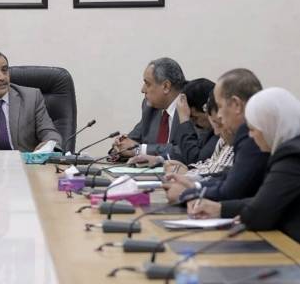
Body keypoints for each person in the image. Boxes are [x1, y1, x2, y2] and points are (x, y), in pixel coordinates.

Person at [188, 88, 300, 243]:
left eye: (253, 129)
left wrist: (228, 211)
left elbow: (259, 213)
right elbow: (262, 200)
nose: (251, 135)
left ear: (269, 126)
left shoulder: (291, 157)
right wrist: (221, 208)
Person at [165, 69, 269, 203]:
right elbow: (227, 176)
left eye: (219, 106)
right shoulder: (245, 133)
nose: (218, 115)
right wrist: (194, 184)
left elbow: (231, 191)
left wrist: (186, 193)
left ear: (236, 105)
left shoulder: (252, 137)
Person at [112, 57, 186, 160]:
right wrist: (120, 145)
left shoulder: (192, 107)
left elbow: (185, 151)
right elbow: (131, 143)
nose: (142, 90)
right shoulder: (151, 108)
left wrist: (139, 150)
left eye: (147, 84)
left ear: (166, 86)